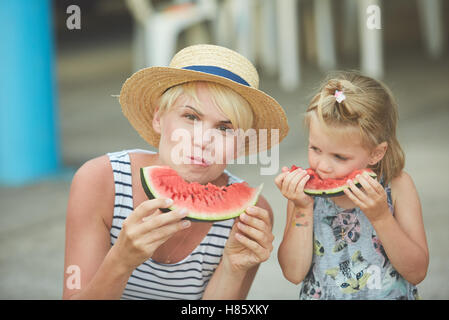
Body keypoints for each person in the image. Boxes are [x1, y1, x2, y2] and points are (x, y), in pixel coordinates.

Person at [63, 44, 289, 300]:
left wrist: (233, 268)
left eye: (225, 129)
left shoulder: (249, 216)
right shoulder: (100, 182)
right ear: (158, 118)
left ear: (240, 144)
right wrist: (121, 261)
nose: (203, 140)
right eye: (191, 117)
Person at [275, 71, 428, 299]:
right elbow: (293, 272)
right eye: (315, 149)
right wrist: (301, 208)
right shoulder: (305, 196)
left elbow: (417, 271)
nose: (323, 166)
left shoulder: (398, 187)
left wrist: (381, 217)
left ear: (376, 153)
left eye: (340, 157)